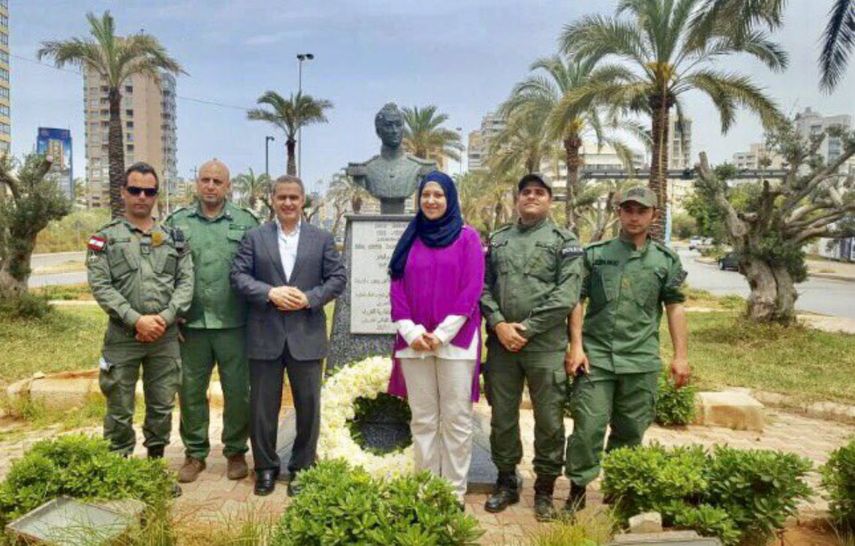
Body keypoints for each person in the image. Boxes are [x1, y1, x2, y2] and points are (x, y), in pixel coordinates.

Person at [563, 186, 690, 514]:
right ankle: (577, 490)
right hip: (597, 358)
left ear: (653, 216)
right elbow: (577, 299)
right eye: (628, 210)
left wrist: (680, 356)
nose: (634, 217)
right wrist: (575, 346)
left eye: (642, 211)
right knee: (588, 426)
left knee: (631, 430)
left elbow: (675, 308)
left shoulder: (665, 261)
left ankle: (618, 488)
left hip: (641, 359)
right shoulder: (596, 254)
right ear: (619, 212)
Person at [230, 175, 346, 497]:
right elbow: (238, 276)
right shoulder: (254, 238)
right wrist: (270, 293)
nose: (288, 203)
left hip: (306, 335)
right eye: (282, 197)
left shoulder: (321, 239)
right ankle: (265, 468)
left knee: (308, 408)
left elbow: (337, 278)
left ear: (303, 200)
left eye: (294, 197)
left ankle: (302, 469)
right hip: (264, 336)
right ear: (273, 200)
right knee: (262, 409)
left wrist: (311, 298)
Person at [479, 173, 584, 521]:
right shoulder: (498, 240)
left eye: (540, 192)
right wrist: (498, 323)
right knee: (502, 418)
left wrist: (526, 328)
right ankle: (507, 481)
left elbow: (567, 294)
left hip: (546, 346)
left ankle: (544, 490)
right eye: (526, 192)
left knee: (550, 421)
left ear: (549, 200)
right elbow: (481, 287)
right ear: (517, 199)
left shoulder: (564, 241)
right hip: (502, 346)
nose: (532, 197)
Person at [386, 171, 485, 504]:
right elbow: (396, 287)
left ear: (450, 198)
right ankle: (427, 490)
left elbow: (471, 289)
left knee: (456, 421)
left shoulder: (468, 238)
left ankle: (454, 492)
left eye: (438, 195)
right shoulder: (410, 238)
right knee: (424, 419)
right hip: (414, 344)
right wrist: (412, 332)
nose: (431, 200)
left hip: (456, 343)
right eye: (426, 194)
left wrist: (442, 334)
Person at [86, 162, 193, 463]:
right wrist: (137, 320)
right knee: (119, 406)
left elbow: (186, 282)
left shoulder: (175, 238)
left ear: (156, 195)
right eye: (135, 190)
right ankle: (119, 469)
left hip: (164, 337)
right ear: (123, 192)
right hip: (123, 337)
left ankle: (154, 467)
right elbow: (101, 285)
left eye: (149, 191)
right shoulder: (104, 239)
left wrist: (165, 318)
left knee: (162, 405)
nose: (142, 196)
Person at [164, 159, 259, 484]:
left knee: (238, 393)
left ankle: (235, 451)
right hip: (190, 326)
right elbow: (165, 272)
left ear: (228, 186)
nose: (210, 185)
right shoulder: (176, 223)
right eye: (205, 179)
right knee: (190, 391)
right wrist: (170, 315)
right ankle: (194, 453)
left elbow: (258, 270)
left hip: (235, 324)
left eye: (217, 181)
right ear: (196, 183)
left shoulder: (247, 222)